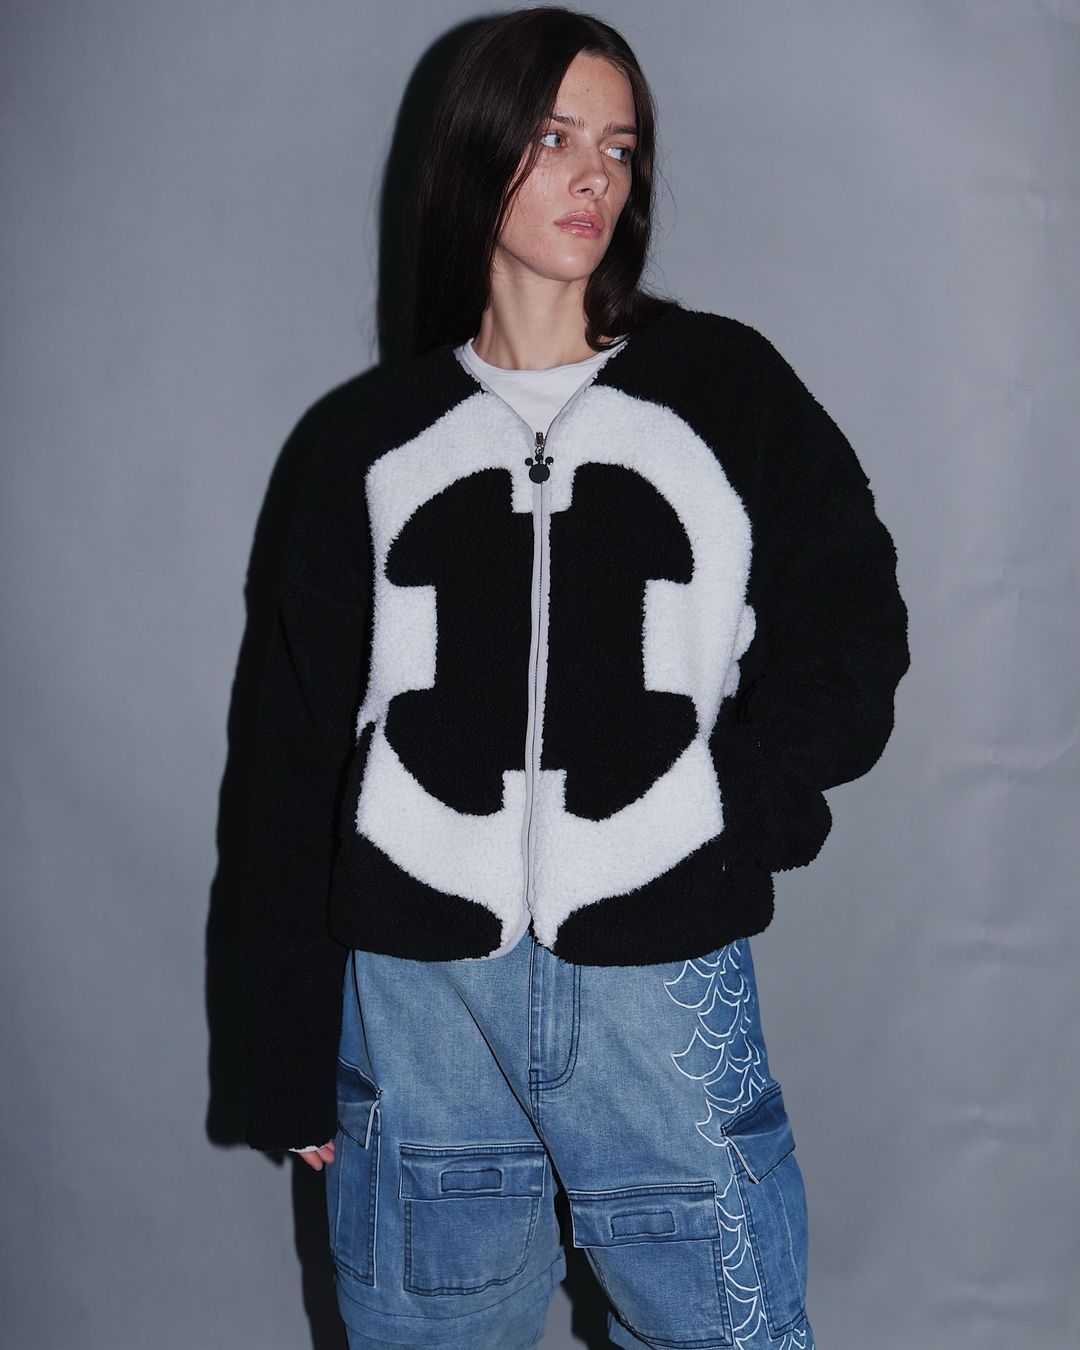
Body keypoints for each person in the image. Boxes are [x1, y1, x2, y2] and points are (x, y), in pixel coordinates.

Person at [241, 7, 910, 1349]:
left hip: (659, 985)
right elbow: (289, 755)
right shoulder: (366, 443)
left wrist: (731, 812)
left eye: (618, 146)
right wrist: (281, 1046)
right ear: (475, 152)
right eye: (553, 139)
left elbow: (853, 623)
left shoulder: (723, 387)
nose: (594, 176)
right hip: (420, 999)